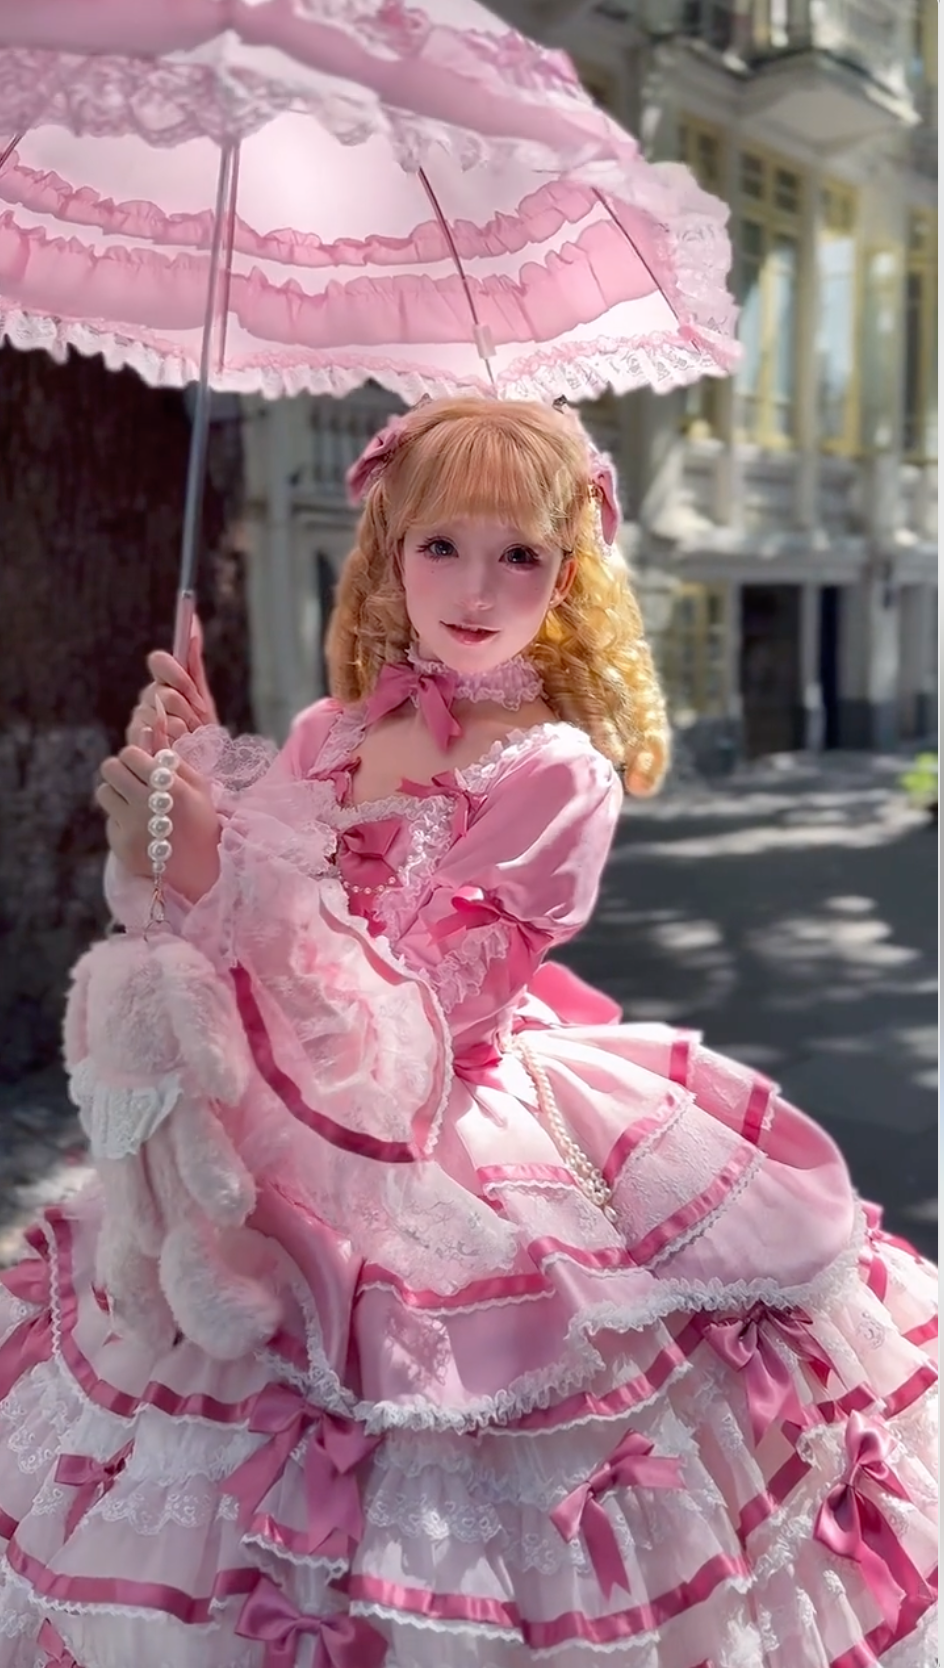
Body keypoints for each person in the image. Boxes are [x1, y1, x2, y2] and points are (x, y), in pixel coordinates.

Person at [0, 399, 936, 1667]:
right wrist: (168, 820)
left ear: (567, 573)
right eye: (442, 544)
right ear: (388, 543)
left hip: (447, 1130)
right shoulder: (329, 733)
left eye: (519, 555)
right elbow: (212, 964)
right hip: (275, 1120)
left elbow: (421, 1017)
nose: (476, 586)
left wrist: (231, 859)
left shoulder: (556, 772)